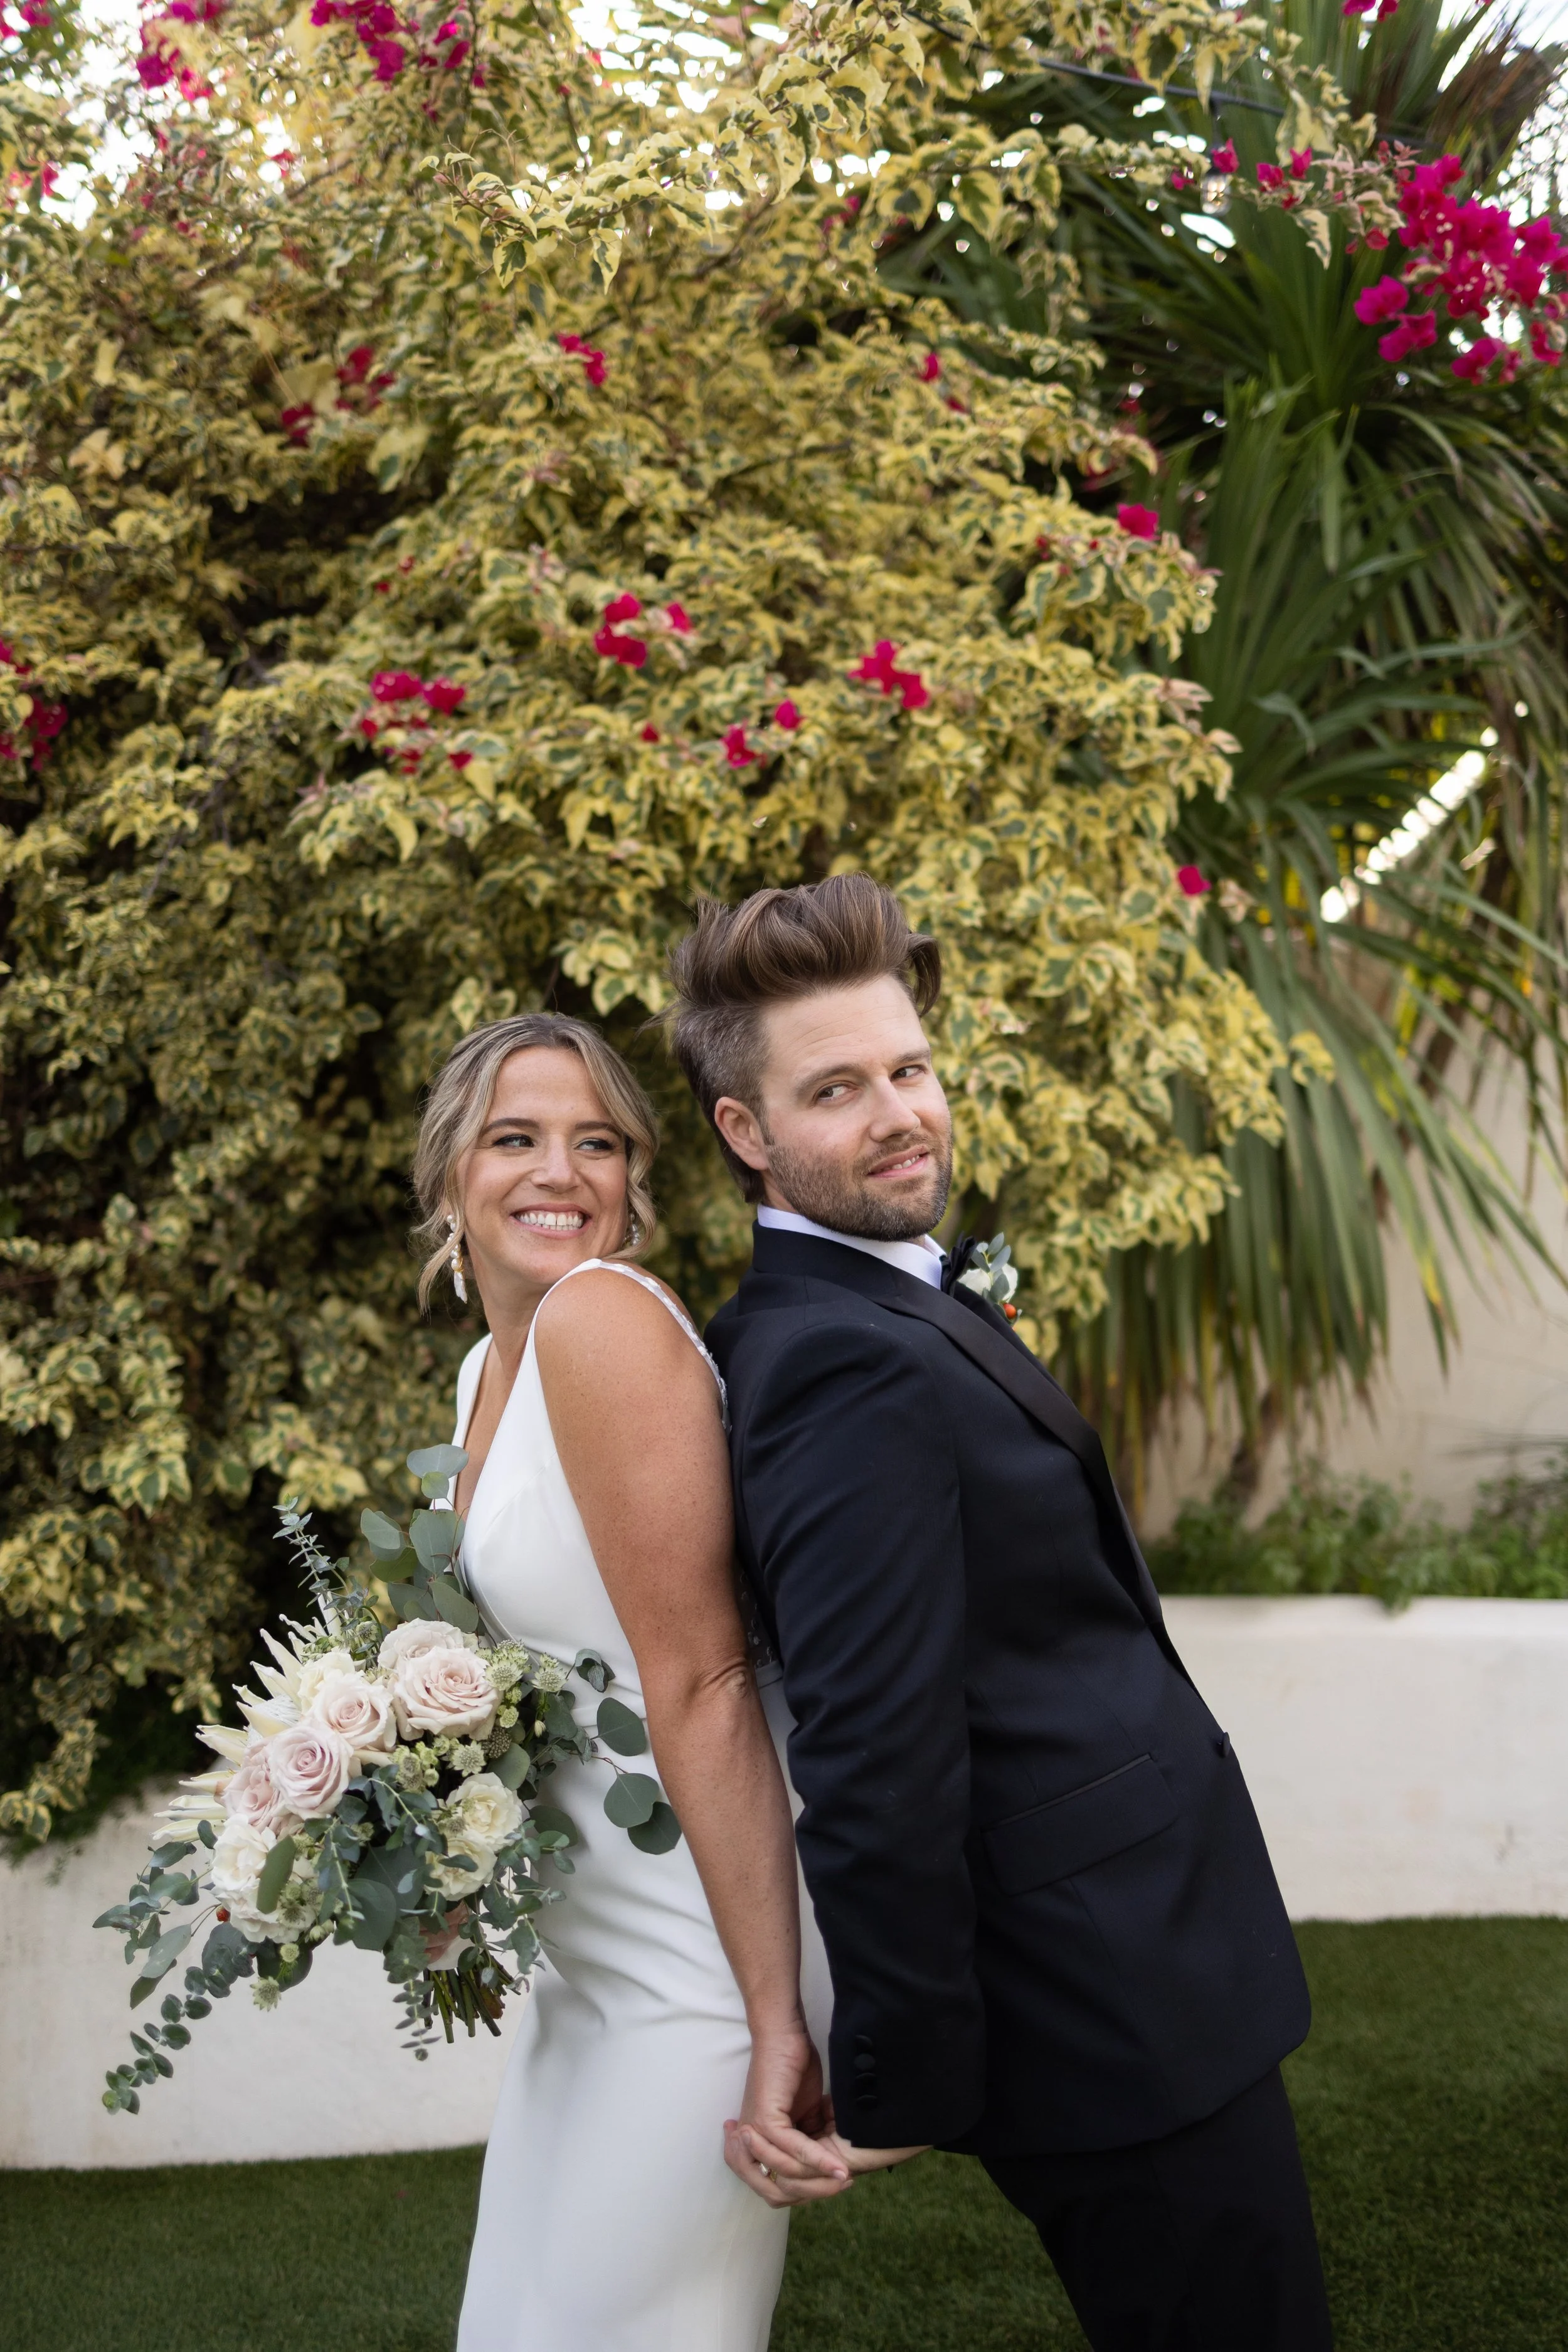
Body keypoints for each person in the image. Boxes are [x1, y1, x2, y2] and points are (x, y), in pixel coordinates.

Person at [669, 875, 1335, 2352]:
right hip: (1100, 2001)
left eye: (907, 1068)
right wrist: (897, 2067)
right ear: (746, 1134)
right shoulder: (834, 1366)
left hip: (1147, 1952)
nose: (899, 1113)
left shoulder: (879, 1301)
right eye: (834, 1091)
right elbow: (870, 1739)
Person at [411, 1012, 844, 2352]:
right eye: (515, 1140)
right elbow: (541, 1683)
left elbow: (705, 1679)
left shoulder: (601, 1321)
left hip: (699, 1967)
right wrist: (428, 1848)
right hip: (583, 1973)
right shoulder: (492, 1364)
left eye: (594, 1143)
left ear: (633, 1175)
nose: (560, 1172)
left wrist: (777, 2018)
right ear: (448, 1180)